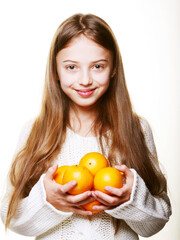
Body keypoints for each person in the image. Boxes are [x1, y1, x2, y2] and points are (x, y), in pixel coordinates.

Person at [0, 13, 171, 240]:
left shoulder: (136, 129)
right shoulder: (35, 131)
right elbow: (10, 216)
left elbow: (158, 220)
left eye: (97, 66)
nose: (85, 80)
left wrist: (131, 199)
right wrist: (48, 202)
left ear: (113, 68)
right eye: (71, 67)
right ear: (56, 71)